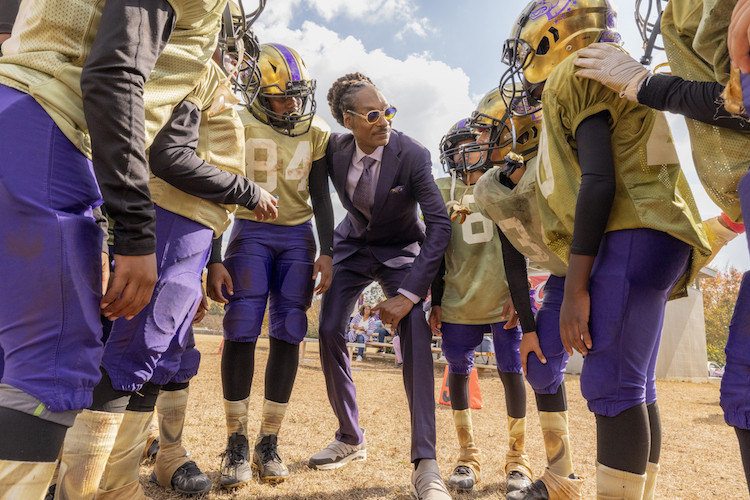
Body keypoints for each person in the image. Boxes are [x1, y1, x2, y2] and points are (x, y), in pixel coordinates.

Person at [0, 0, 232, 495]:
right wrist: (133, 230)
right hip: (49, 127)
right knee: (51, 361)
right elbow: (113, 73)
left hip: (23, 116)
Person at [501, 1, 711, 498]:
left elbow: (597, 182)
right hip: (660, 232)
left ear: (552, 38)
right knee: (636, 385)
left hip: (631, 230)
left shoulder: (577, 71)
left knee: (612, 386)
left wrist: (575, 287)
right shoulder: (612, 63)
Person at [572, 0, 750, 492]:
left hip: (639, 238)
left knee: (619, 384)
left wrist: (651, 86)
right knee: (740, 389)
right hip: (693, 222)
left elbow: (743, 103)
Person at [309, 72, 452, 500]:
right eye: (373, 114)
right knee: (330, 327)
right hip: (352, 243)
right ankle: (350, 437)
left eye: (388, 110)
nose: (384, 120)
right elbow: (318, 195)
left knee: (414, 328)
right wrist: (327, 251)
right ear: (348, 120)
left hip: (400, 248)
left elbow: (440, 224)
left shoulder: (412, 154)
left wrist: (410, 296)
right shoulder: (331, 150)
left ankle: (426, 463)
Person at [206, 42, 334, 488]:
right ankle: (236, 441)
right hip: (248, 229)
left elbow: (320, 194)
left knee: (290, 332)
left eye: (299, 94)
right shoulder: (237, 120)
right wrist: (214, 257)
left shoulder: (315, 130)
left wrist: (328, 251)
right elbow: (221, 191)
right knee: (240, 327)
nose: (294, 104)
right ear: (259, 92)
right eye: (284, 95)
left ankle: (269, 442)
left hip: (298, 235)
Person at [472, 87, 584, 500]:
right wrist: (531, 326)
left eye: (490, 132)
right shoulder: (496, 185)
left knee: (626, 382)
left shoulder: (563, 161)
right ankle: (562, 476)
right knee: (538, 365)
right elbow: (513, 257)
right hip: (560, 277)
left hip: (605, 267)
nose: (482, 142)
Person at [429, 117, 531, 494]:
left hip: (504, 299)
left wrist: (521, 298)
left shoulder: (505, 182)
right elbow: (436, 251)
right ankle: (467, 455)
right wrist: (434, 301)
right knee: (458, 370)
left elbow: (524, 241)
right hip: (457, 299)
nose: (464, 152)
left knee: (511, 373)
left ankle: (518, 459)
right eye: (459, 145)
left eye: (472, 143)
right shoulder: (441, 189)